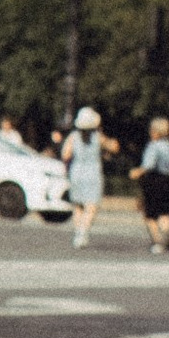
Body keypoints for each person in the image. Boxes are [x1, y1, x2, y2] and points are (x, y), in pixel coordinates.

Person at [63, 106, 106, 247]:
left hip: (76, 172)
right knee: (91, 206)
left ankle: (78, 234)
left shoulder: (73, 137)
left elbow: (66, 154)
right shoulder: (98, 137)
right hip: (93, 172)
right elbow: (113, 147)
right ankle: (83, 231)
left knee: (78, 206)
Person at [138, 114, 169, 254]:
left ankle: (157, 241)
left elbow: (149, 165)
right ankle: (166, 233)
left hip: (154, 180)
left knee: (151, 215)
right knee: (164, 212)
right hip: (168, 180)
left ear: (156, 131)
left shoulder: (153, 146)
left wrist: (137, 172)